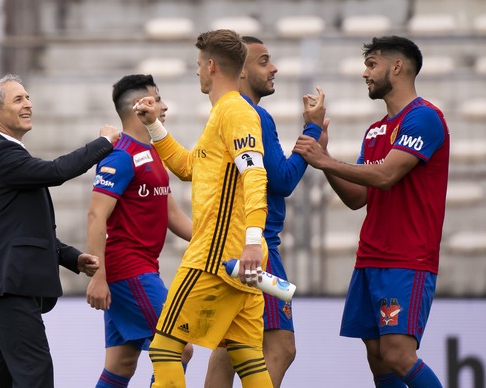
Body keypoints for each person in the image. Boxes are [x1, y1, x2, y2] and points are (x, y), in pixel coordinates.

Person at [293, 36, 449, 387]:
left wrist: (325, 160)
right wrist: (325, 159)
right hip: (370, 257)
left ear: (397, 66)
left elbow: (386, 175)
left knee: (398, 353)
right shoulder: (376, 130)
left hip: (406, 257)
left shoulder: (424, 118)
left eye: (372, 64)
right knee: (378, 358)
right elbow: (358, 197)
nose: (365, 73)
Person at [134, 29, 274, 387]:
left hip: (216, 258)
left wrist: (254, 240)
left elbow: (255, 174)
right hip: (241, 260)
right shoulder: (223, 115)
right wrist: (154, 125)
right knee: (248, 357)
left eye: (198, 64)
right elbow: (188, 168)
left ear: (211, 66)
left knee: (164, 349)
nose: (197, 71)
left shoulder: (235, 113)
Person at [0, 73, 121, 388]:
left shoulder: (3, 152)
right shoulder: (1, 152)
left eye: (28, 97)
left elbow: (21, 227)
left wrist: (72, 258)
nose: (29, 105)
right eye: (19, 99)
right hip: (8, 283)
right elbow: (57, 171)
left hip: (5, 282)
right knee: (35, 375)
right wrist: (104, 143)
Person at [204, 36, 321, 388]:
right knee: (281, 347)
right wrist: (312, 136)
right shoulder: (253, 115)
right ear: (240, 70)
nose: (274, 68)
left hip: (230, 245)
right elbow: (281, 181)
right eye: (264, 61)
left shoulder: (223, 113)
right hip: (257, 247)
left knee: (230, 345)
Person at [85, 74, 193, 387]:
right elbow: (96, 215)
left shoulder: (155, 152)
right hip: (128, 271)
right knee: (179, 346)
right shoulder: (120, 157)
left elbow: (173, 214)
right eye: (157, 99)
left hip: (140, 269)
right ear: (139, 106)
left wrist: (216, 240)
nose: (165, 106)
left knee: (121, 364)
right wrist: (98, 276)